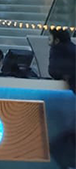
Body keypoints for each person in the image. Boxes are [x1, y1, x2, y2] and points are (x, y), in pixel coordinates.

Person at [48, 29, 75, 169]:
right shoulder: (72, 49)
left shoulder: (57, 50)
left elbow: (53, 71)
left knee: (57, 146)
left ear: (56, 40)